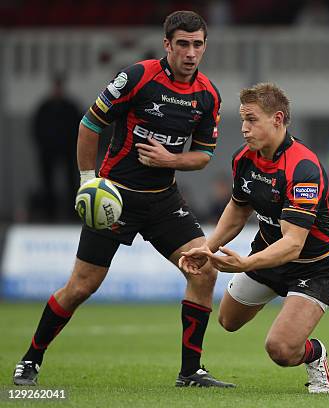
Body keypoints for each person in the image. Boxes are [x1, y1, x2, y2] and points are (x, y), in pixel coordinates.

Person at [13, 11, 234, 389]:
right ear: (167, 44)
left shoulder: (207, 95)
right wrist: (87, 182)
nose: (191, 52)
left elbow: (203, 155)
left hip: (164, 201)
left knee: (203, 269)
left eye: (198, 44)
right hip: (115, 200)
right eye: (183, 43)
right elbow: (90, 124)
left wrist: (172, 160)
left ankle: (190, 372)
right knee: (82, 286)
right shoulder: (137, 77)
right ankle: (30, 359)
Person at [179, 83, 329, 394]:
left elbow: (293, 243)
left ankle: (315, 354)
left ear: (278, 119)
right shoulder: (244, 158)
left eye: (252, 119)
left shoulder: (303, 168)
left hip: (316, 266)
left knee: (281, 350)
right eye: (243, 119)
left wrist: (245, 263)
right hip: (269, 255)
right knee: (228, 321)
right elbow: (237, 209)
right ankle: (287, 313)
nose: (244, 129)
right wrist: (207, 248)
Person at [31, 74, 82, 220]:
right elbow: (36, 129)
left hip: (68, 151)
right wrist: (43, 146)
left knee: (71, 181)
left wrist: (74, 147)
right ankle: (49, 213)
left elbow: (79, 129)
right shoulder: (44, 107)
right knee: (47, 182)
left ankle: (73, 213)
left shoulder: (70, 107)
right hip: (48, 151)